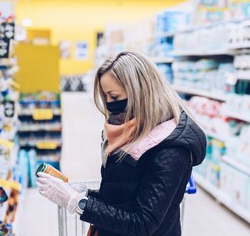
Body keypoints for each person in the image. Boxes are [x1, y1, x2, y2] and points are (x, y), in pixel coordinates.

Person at [37, 51, 207, 236]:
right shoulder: (133, 128)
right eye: (106, 97)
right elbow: (125, 193)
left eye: (115, 97)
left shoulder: (172, 148)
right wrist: (87, 194)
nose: (110, 105)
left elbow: (142, 223)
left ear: (140, 92)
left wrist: (77, 203)